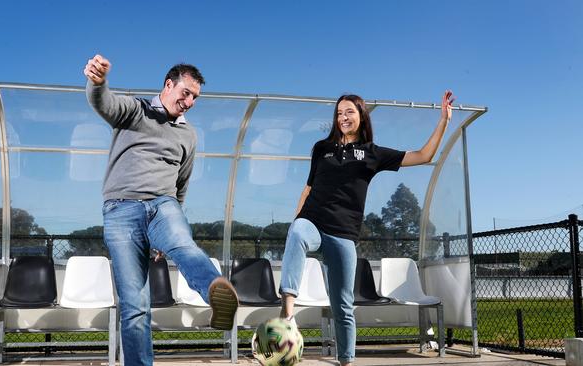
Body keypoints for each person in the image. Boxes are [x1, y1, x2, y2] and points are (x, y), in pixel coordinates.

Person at [278, 91, 454, 365]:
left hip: (342, 235)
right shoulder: (321, 149)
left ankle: (346, 359)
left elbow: (423, 155)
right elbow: (308, 188)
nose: (343, 117)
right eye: (339, 113)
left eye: (349, 112)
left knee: (343, 306)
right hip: (312, 221)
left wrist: (443, 120)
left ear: (361, 116)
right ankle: (287, 316)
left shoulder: (372, 153)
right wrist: (296, 221)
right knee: (298, 231)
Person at [83, 54, 238, 366]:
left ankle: (215, 293)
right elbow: (104, 103)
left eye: (195, 97)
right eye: (186, 93)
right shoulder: (135, 110)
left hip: (163, 206)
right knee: (135, 304)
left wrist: (171, 222)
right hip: (120, 210)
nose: (190, 101)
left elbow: (182, 182)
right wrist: (97, 82)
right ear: (169, 84)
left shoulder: (188, 135)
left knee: (183, 246)